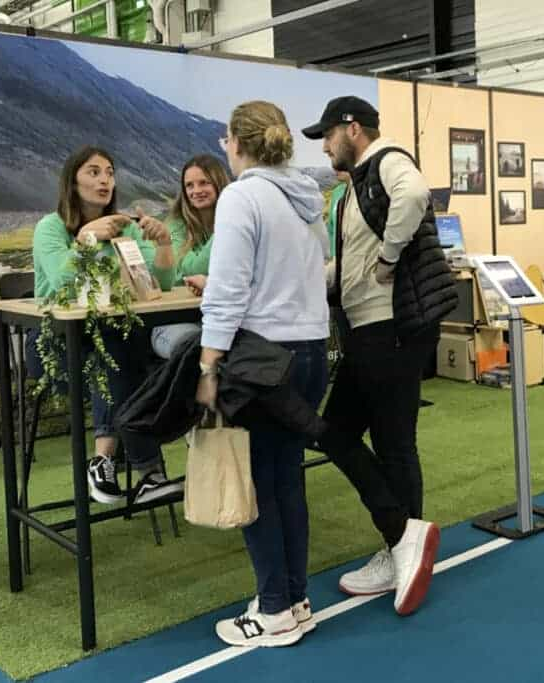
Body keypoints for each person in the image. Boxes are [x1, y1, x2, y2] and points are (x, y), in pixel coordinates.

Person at [302, 95, 456, 616]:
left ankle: (401, 546)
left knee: (389, 444)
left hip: (389, 329)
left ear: (352, 128)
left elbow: (415, 195)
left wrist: (390, 258)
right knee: (340, 434)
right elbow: (347, 268)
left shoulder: (388, 159)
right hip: (369, 331)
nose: (324, 146)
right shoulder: (353, 187)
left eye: (327, 134)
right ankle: (402, 537)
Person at [197, 101, 330, 648]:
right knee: (287, 478)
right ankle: (293, 600)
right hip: (311, 352)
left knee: (260, 487)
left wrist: (208, 365)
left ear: (235, 142)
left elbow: (227, 291)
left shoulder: (242, 196)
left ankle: (274, 608)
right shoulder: (305, 197)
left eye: (226, 139)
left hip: (262, 360)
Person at [28, 146, 181, 504]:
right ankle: (145, 472)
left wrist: (163, 244)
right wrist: (85, 240)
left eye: (110, 172)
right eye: (93, 172)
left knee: (123, 345)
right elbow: (64, 285)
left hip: (113, 343)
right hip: (55, 344)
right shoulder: (50, 228)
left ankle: (105, 462)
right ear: (73, 181)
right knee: (119, 350)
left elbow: (155, 285)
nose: (105, 180)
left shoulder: (124, 231)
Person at [148, 154, 230, 359]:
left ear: (219, 183)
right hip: (175, 319)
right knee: (193, 348)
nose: (196, 191)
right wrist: (228, 225)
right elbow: (189, 269)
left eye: (204, 183)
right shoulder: (176, 223)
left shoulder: (232, 217)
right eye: (189, 186)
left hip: (221, 315)